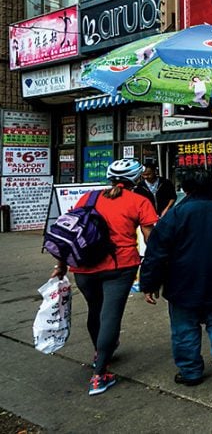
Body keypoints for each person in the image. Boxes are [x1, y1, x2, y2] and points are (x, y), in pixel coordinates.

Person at [50, 158, 159, 396]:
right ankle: (99, 375)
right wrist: (157, 266)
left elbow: (68, 233)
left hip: (84, 266)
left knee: (95, 310)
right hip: (120, 267)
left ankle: (101, 351)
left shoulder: (88, 198)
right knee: (110, 315)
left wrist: (61, 266)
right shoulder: (139, 201)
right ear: (136, 178)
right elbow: (152, 239)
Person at [139, 169, 212, 386]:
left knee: (184, 329)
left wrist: (149, 283)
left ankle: (191, 372)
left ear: (185, 189)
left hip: (181, 283)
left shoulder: (176, 215)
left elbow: (157, 252)